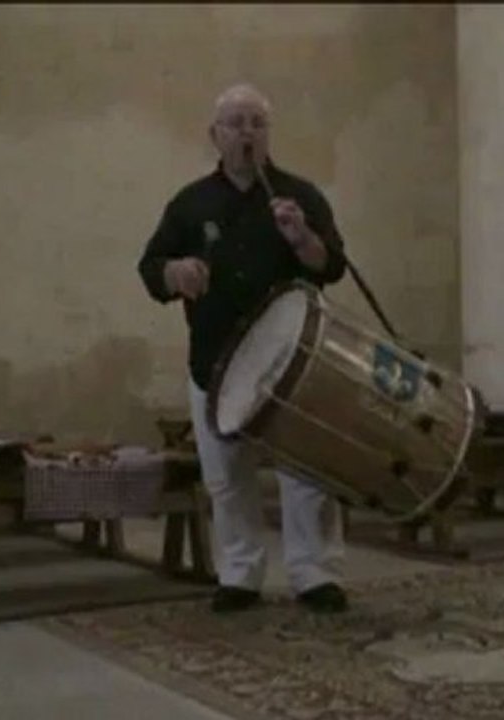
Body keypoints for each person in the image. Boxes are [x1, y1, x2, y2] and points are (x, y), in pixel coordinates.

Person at [137, 84, 349, 614]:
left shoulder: (299, 197)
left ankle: (313, 572)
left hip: (291, 367)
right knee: (227, 478)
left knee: (305, 477)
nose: (247, 132)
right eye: (235, 122)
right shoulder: (190, 204)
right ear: (215, 135)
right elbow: (150, 269)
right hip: (216, 362)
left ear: (268, 133)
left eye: (256, 122)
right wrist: (175, 272)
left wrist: (303, 239)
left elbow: (334, 267)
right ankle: (240, 573)